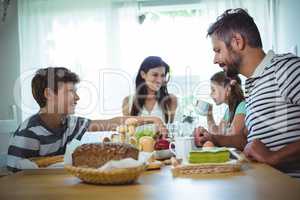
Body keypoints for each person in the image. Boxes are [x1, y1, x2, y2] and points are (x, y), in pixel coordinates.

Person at [195, 8, 300, 178]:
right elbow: (246, 140)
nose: (214, 60)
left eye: (217, 50)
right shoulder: (253, 83)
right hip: (263, 185)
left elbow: (268, 155)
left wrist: (274, 157)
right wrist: (214, 138)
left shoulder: (286, 69)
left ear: (237, 41)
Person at [7, 67, 165, 172]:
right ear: (49, 94)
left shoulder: (68, 123)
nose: (77, 97)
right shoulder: (29, 132)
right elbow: (13, 179)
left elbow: (113, 123)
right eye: (70, 92)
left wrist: (153, 119)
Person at [122, 56, 177, 131]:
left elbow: (171, 131)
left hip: (161, 143)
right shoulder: (128, 101)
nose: (159, 80)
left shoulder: (171, 100)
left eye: (162, 75)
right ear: (143, 74)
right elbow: (127, 131)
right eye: (155, 75)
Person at [205, 71, 245, 135]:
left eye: (213, 90)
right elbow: (218, 133)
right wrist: (209, 114)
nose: (211, 94)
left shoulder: (242, 106)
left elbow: (232, 135)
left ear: (228, 89)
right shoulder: (229, 110)